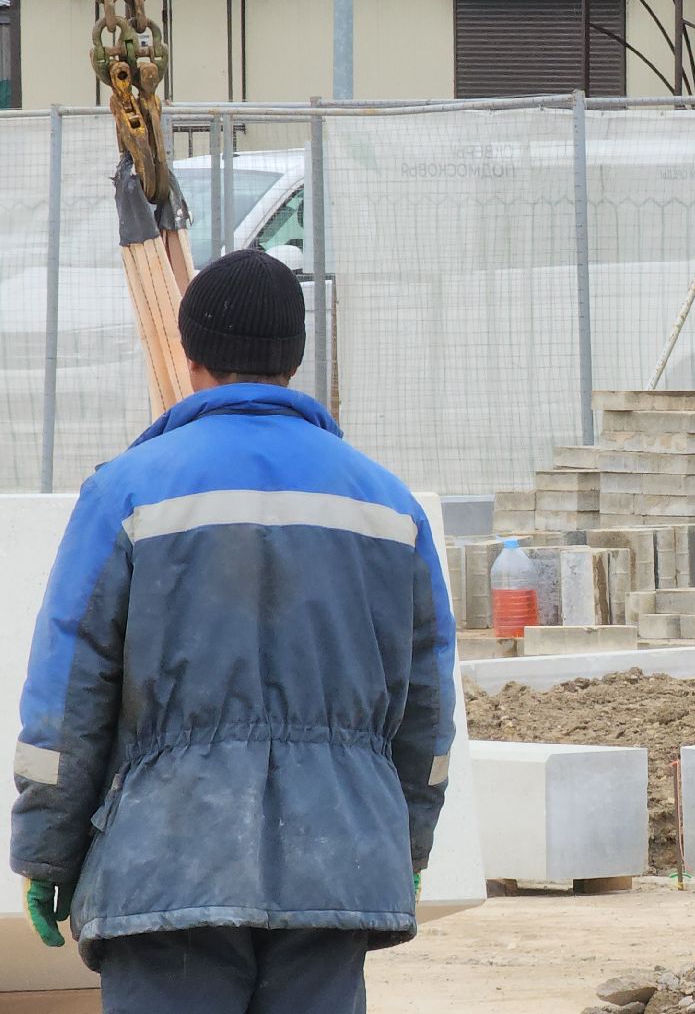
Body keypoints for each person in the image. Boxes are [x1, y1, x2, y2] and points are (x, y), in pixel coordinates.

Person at [10, 248, 457, 1013]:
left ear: (190, 359)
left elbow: (71, 686)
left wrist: (47, 850)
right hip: (339, 858)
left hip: (168, 861)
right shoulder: (386, 504)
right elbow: (426, 701)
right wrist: (407, 840)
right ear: (296, 358)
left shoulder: (127, 491)